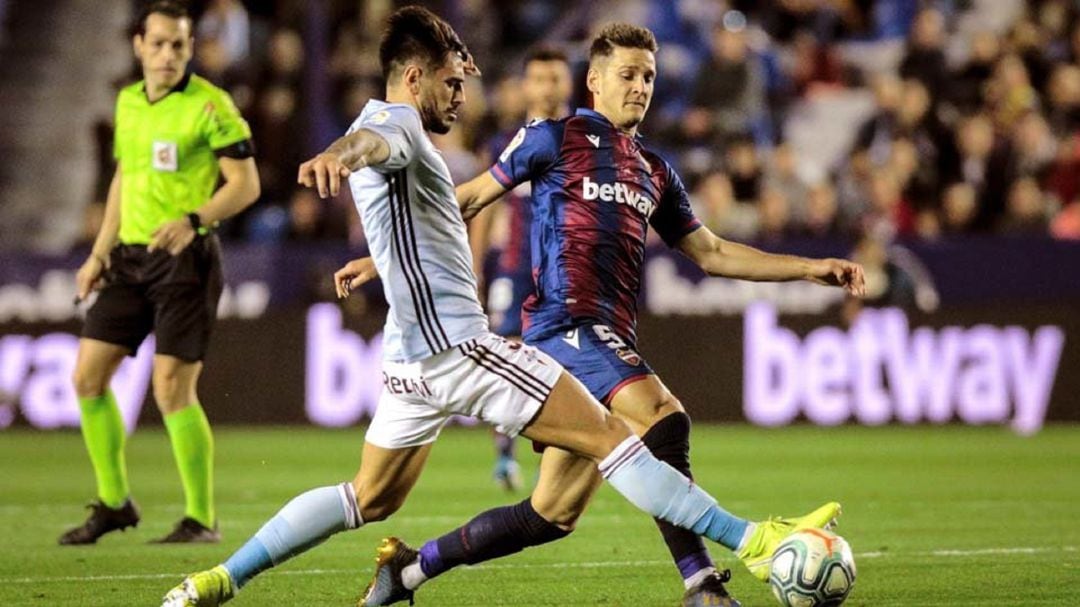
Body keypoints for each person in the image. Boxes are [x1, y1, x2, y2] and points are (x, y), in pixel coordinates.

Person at [160, 8, 861, 607]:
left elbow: (434, 210)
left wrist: (809, 266)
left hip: (410, 356)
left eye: (650, 75)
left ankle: (243, 578)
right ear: (416, 76)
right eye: (453, 81)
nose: (462, 95)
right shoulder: (437, 129)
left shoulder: (651, 168)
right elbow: (380, 149)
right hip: (491, 343)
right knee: (635, 430)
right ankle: (741, 551)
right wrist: (339, 155)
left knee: (391, 500)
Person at [61, 0, 259, 546]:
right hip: (128, 257)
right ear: (139, 47)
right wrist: (98, 254)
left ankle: (201, 519)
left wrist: (195, 220)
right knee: (86, 378)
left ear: (190, 48)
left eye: (179, 45)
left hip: (185, 260)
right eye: (159, 43)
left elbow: (246, 185)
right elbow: (126, 175)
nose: (169, 54)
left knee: (171, 387)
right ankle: (114, 502)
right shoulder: (127, 102)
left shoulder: (211, 106)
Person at [469, 47, 573, 491]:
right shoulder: (505, 143)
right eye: (540, 78)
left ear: (569, 83)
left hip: (567, 272)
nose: (548, 87)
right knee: (512, 359)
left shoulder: (583, 138)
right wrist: (474, 269)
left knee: (565, 361)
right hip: (516, 269)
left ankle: (565, 455)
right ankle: (505, 455)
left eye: (556, 78)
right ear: (525, 86)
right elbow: (485, 209)